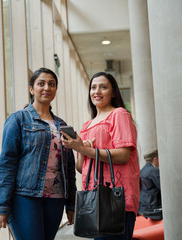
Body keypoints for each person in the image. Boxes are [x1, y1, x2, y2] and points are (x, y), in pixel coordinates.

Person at [0, 68, 76, 240]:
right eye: (41, 83)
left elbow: (68, 168)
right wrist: (1, 206)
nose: (47, 87)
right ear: (31, 89)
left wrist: (71, 204)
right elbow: (7, 164)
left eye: (51, 84)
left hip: (56, 198)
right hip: (25, 197)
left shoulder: (62, 125)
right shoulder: (18, 119)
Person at [62, 72, 140, 240]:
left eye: (103, 87)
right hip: (94, 200)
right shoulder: (87, 125)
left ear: (113, 92)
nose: (97, 91)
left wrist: (86, 150)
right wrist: (82, 148)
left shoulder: (119, 114)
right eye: (93, 87)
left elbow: (123, 155)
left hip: (116, 200)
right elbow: (81, 168)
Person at [138, 149, 162, 220]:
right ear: (155, 159)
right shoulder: (153, 170)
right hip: (153, 209)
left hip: (143, 208)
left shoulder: (141, 171)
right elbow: (163, 188)